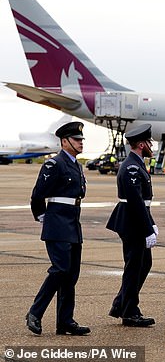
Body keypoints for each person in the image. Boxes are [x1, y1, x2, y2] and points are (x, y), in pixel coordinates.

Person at [26, 121, 90, 336]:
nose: (81, 143)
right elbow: (38, 194)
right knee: (60, 270)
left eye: (82, 139)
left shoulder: (76, 165)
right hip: (57, 223)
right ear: (64, 141)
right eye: (76, 140)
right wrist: (42, 216)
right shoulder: (55, 164)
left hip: (73, 223)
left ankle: (65, 321)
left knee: (70, 275)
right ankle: (35, 312)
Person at [106, 124, 158, 327]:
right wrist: (147, 228)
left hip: (137, 219)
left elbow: (143, 203)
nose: (151, 146)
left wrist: (151, 224)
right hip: (132, 221)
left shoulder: (136, 163)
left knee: (142, 264)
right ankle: (129, 312)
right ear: (141, 144)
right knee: (134, 267)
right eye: (149, 143)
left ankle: (121, 305)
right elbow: (136, 201)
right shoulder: (132, 167)